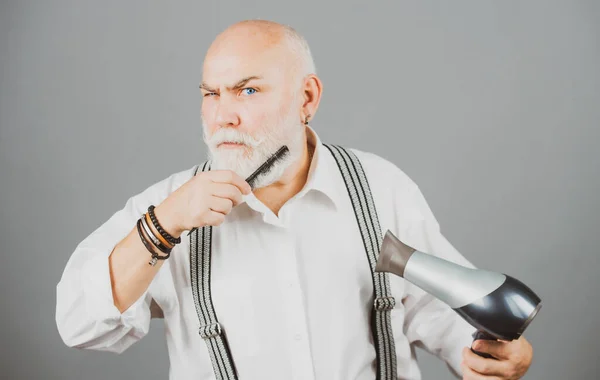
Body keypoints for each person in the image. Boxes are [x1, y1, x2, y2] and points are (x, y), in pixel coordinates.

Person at [55, 19, 533, 380]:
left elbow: (438, 313)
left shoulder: (381, 187)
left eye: (247, 90)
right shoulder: (167, 205)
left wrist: (490, 357)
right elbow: (80, 324)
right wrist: (164, 225)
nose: (223, 116)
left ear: (307, 98)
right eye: (210, 93)